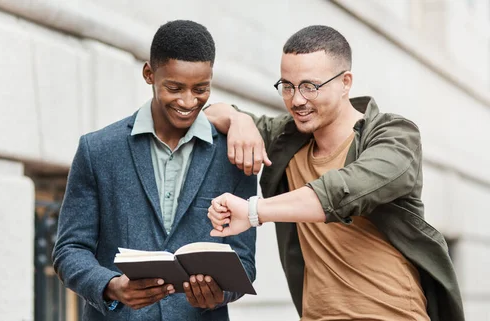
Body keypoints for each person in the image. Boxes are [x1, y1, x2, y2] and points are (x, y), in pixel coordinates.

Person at [204, 25, 463, 321]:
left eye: (310, 86)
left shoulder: (394, 136)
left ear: (345, 83)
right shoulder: (287, 139)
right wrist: (238, 120)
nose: (297, 99)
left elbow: (344, 191)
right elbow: (208, 113)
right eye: (287, 86)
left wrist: (254, 211)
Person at [52, 20, 257, 321]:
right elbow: (69, 249)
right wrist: (110, 286)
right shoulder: (97, 150)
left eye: (201, 89)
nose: (188, 102)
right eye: (174, 88)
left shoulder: (235, 156)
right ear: (149, 74)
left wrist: (219, 292)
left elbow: (245, 263)